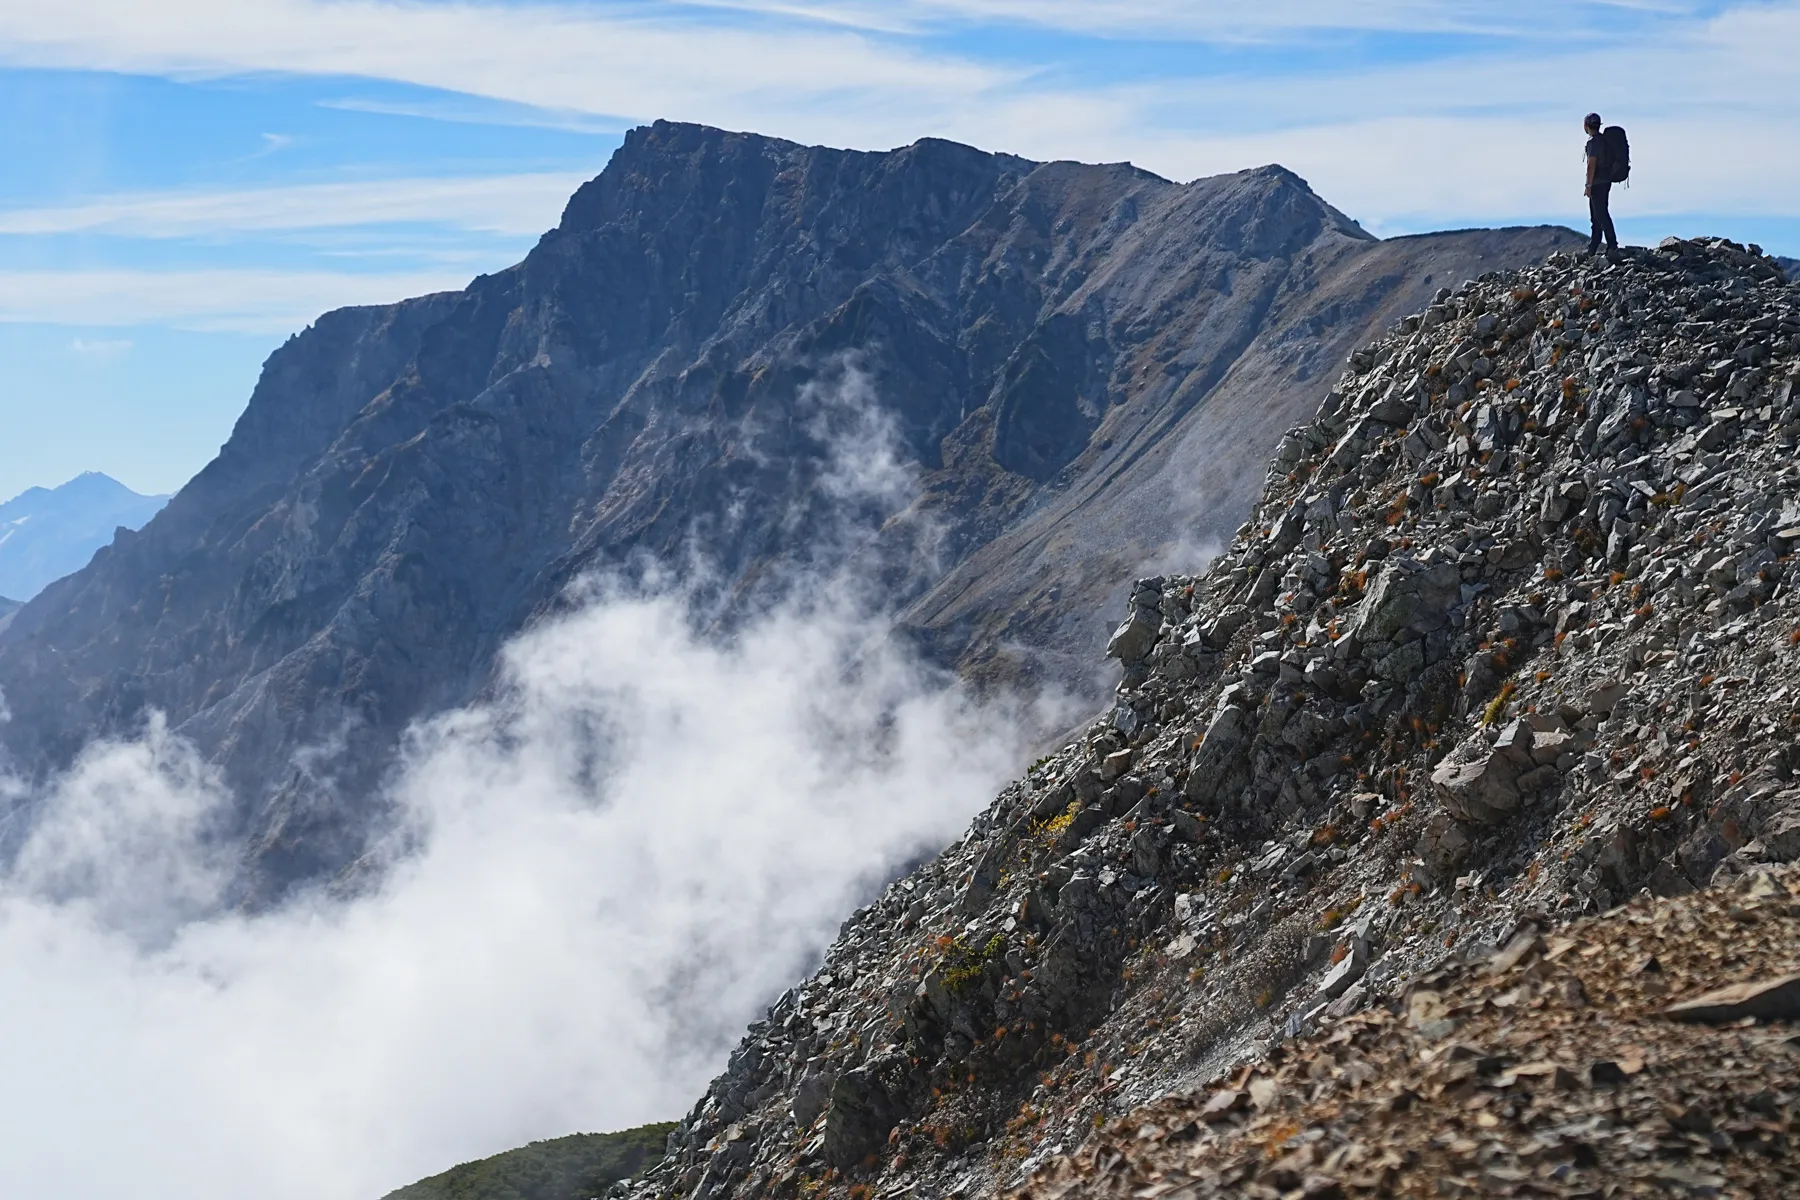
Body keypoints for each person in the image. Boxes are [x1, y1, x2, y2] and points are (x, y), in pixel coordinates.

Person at [1583, 112, 1619, 261]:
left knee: (1600, 214)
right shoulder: (1604, 141)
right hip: (1606, 181)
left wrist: (1588, 185)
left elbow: (1591, 164)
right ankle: (1593, 247)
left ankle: (1612, 245)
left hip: (1597, 183)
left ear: (1586, 126)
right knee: (1597, 214)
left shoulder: (1593, 142)